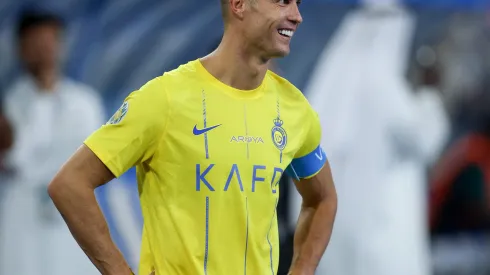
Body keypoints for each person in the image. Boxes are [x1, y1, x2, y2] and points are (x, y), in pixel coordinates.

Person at [47, 0, 338, 274]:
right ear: (238, 5)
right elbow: (70, 185)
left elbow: (322, 198)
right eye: (282, 1)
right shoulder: (165, 98)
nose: (297, 16)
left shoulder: (293, 108)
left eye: (298, 4)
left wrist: (302, 269)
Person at [0, 10, 104, 275]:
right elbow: (14, 156)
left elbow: (91, 159)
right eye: (35, 44)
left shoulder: (85, 103)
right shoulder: (12, 104)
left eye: (49, 42)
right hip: (22, 219)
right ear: (21, 49)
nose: (44, 51)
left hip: (72, 218)